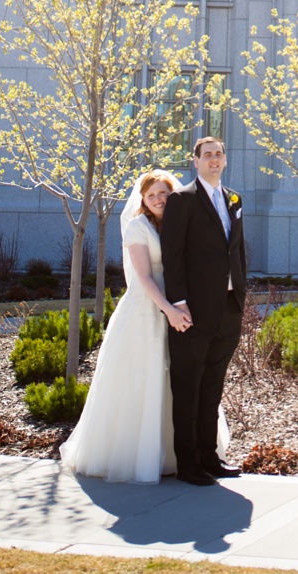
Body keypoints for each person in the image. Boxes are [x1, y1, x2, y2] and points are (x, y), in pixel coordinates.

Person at [58, 169, 188, 483]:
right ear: (143, 200)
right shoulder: (137, 226)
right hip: (145, 311)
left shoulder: (176, 224)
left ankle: (174, 453)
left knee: (173, 382)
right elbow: (143, 278)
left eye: (163, 193)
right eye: (151, 195)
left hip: (174, 308)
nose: (158, 199)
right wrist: (168, 310)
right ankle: (134, 457)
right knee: (141, 379)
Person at [162, 135, 248, 484]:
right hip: (192, 312)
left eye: (219, 154)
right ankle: (188, 463)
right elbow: (173, 256)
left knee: (213, 384)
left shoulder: (233, 199)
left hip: (228, 307)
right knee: (188, 386)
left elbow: (237, 251)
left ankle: (210, 457)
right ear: (195, 161)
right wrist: (179, 304)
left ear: (225, 160)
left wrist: (242, 293)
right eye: (207, 155)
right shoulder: (182, 200)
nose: (214, 159)